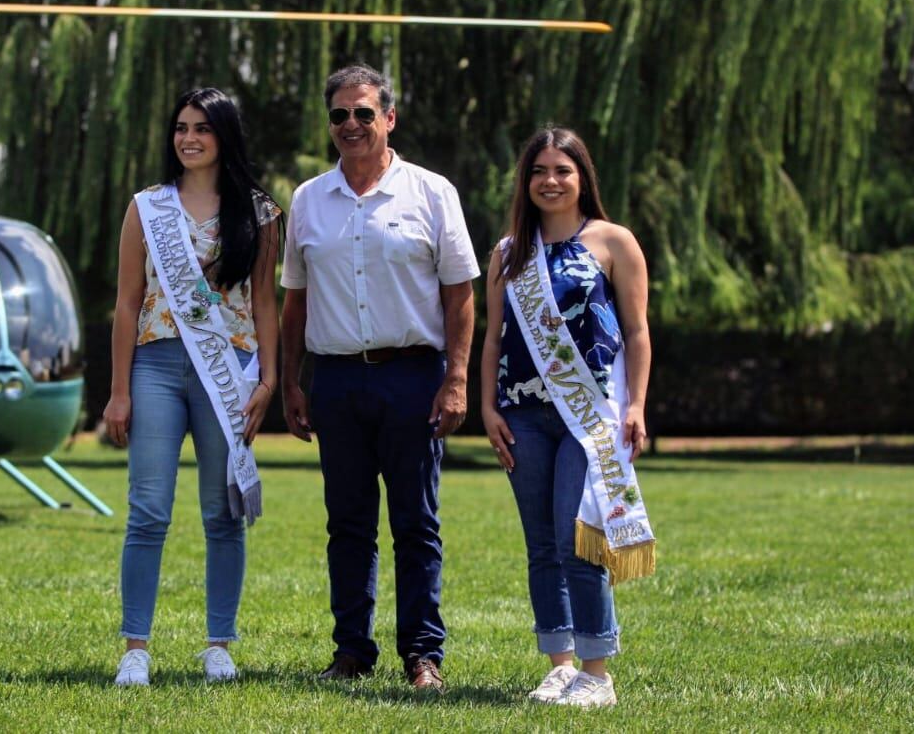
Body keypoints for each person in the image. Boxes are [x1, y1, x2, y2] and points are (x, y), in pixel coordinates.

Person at [280, 64, 479, 691]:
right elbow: (294, 302)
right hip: (336, 381)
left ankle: (423, 655)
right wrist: (291, 383)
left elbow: (460, 294)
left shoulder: (431, 192)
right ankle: (351, 652)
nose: (351, 125)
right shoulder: (309, 199)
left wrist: (456, 378)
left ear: (389, 119)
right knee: (347, 525)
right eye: (340, 114)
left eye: (364, 113)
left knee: (416, 523)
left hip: (412, 377)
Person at [103, 87, 282, 687]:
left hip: (227, 371)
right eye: (181, 127)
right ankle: (135, 647)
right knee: (148, 510)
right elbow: (127, 303)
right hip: (154, 365)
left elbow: (265, 303)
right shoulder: (147, 207)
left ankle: (219, 644)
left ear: (223, 135)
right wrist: (118, 390)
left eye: (202, 128)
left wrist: (272, 380)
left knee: (222, 512)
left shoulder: (258, 213)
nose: (188, 138)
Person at [479, 126, 655, 708]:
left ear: (582, 178)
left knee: (577, 537)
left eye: (562, 170)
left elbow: (636, 331)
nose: (550, 182)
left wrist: (635, 405)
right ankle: (559, 665)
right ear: (525, 182)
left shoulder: (613, 241)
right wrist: (487, 406)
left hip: (589, 415)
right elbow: (493, 338)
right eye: (538, 172)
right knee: (539, 543)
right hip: (522, 415)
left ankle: (597, 672)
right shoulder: (508, 253)